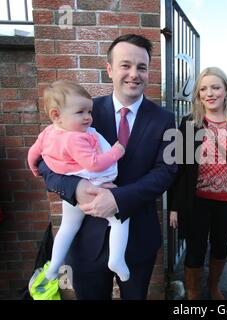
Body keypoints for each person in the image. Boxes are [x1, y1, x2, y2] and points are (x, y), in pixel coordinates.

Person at [37, 34, 177, 300]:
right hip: (86, 241)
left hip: (138, 240)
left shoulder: (166, 119)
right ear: (110, 69)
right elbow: (45, 163)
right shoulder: (80, 111)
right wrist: (75, 187)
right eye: (125, 65)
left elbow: (167, 171)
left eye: (142, 67)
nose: (134, 74)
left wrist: (118, 198)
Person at [169, 67, 227, 300]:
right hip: (196, 202)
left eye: (216, 87)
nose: (210, 93)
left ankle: (213, 287)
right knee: (195, 249)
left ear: (226, 91)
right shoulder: (189, 123)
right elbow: (179, 170)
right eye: (204, 89)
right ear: (198, 95)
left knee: (220, 247)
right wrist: (175, 207)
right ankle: (192, 293)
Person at [28, 80, 131, 282]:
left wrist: (33, 168)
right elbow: (94, 163)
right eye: (80, 112)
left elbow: (34, 153)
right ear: (56, 115)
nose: (88, 117)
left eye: (89, 112)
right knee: (120, 218)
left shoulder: (48, 132)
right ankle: (117, 259)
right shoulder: (75, 138)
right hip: (94, 183)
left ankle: (53, 267)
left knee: (67, 227)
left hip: (72, 193)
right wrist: (116, 152)